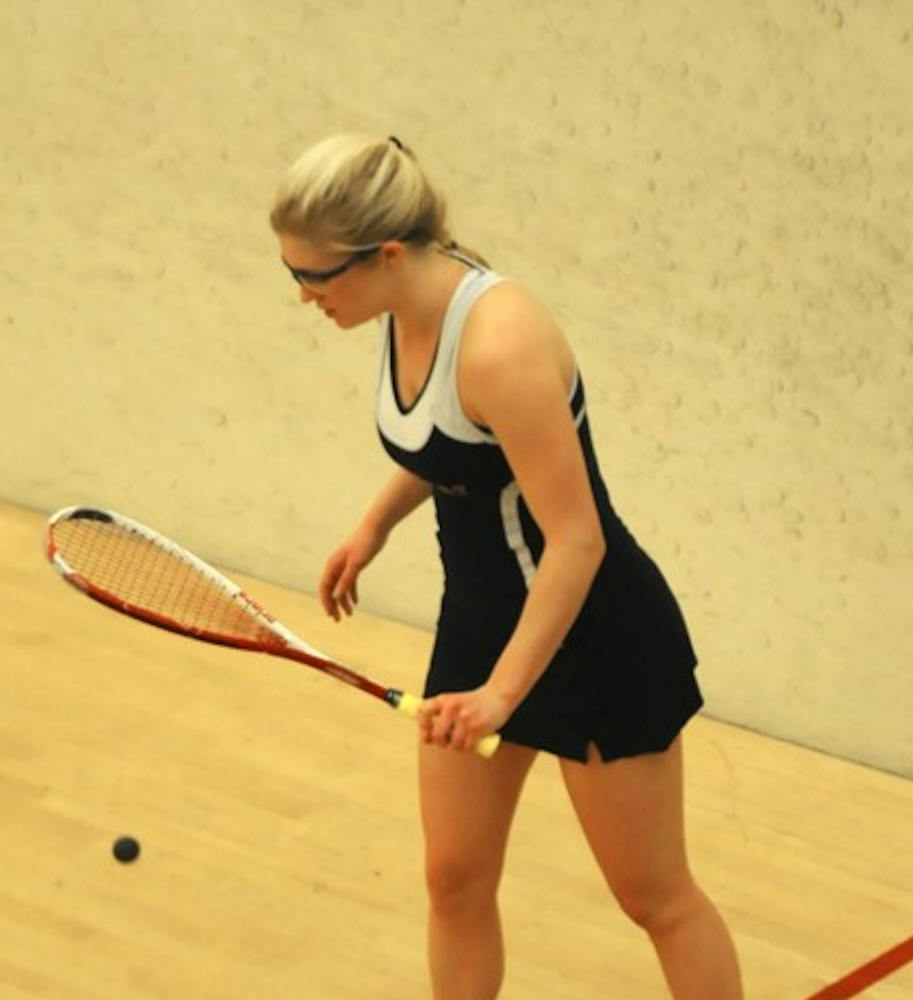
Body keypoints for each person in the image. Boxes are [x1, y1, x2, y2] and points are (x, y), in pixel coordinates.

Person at [269, 134, 743, 1000]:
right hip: (484, 628)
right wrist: (374, 523)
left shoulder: (501, 343)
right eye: (290, 273)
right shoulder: (397, 306)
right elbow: (458, 442)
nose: (304, 296)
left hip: (595, 636)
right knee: (453, 881)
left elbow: (577, 540)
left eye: (315, 277)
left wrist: (501, 697)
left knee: (655, 899)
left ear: (384, 254)